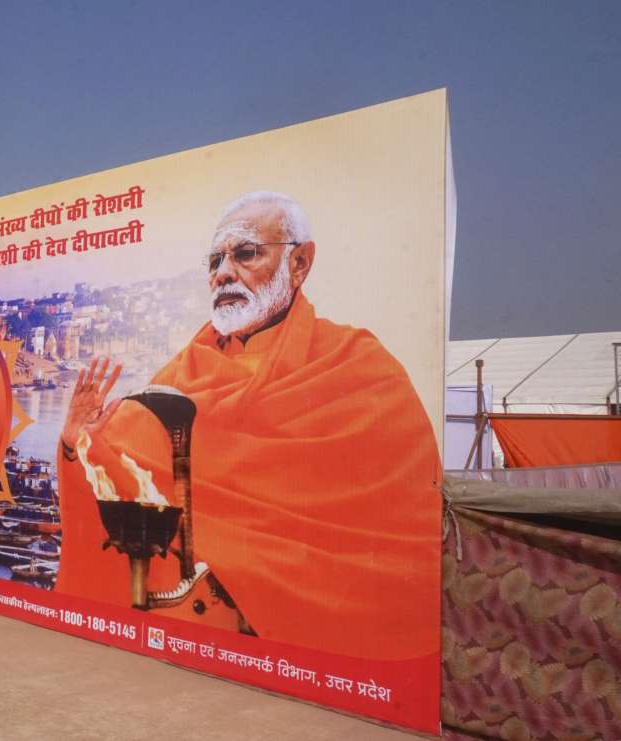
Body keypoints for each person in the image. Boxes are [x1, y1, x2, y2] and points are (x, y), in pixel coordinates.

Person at [56, 191, 441, 661]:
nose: (222, 272)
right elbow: (115, 470)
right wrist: (78, 443)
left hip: (323, 647)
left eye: (245, 253)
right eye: (215, 260)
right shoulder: (184, 374)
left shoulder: (361, 370)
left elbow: (405, 534)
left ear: (300, 263)